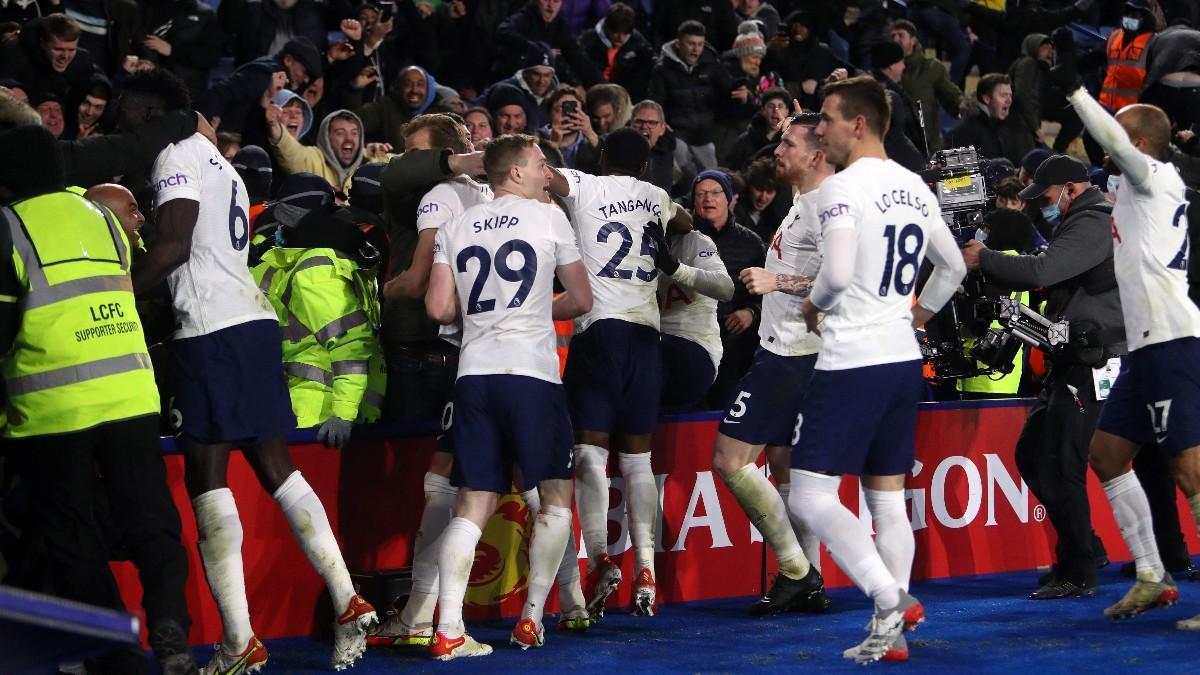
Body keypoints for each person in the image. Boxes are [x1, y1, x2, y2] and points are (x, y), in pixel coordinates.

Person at [121, 69, 378, 672]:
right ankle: (345, 596)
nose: (125, 123)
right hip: (251, 324)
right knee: (274, 466)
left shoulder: (175, 156)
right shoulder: (216, 160)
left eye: (132, 112)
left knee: (207, 475)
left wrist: (117, 297)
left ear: (157, 109)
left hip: (211, 330)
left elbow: (175, 244)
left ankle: (239, 642)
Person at [0, 123, 198, 675]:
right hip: (130, 395)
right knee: (150, 516)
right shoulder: (104, 218)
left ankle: (118, 650)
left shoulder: (7, 227)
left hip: (50, 407)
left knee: (69, 535)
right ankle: (170, 625)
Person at [791, 76, 965, 663]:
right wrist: (915, 315)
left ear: (857, 124)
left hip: (852, 361)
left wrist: (813, 304)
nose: (821, 131)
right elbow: (953, 270)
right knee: (887, 499)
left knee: (809, 496)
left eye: (829, 122)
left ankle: (890, 599)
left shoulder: (843, 189)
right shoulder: (915, 185)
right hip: (899, 359)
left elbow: (836, 276)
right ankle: (890, 636)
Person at [425, 133, 594, 658]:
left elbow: (437, 309)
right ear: (516, 172)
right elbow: (582, 299)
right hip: (532, 375)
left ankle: (448, 628)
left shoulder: (454, 226)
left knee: (472, 503)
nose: (549, 172)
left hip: (474, 376)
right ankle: (531, 618)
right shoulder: (549, 219)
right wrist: (532, 309)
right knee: (555, 501)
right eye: (541, 164)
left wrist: (485, 312)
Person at [1052, 53, 1200, 629]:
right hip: (1145, 347)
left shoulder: (1154, 176)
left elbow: (1113, 135)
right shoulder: (1137, 189)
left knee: (1189, 471)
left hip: (1170, 339)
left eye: (1119, 138)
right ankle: (1150, 575)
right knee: (1108, 454)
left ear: (1136, 142)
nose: (1105, 149)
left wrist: (1076, 95)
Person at [546, 127, 693, 617]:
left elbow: (547, 176)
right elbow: (686, 220)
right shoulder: (656, 196)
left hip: (600, 335)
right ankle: (646, 569)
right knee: (638, 459)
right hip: (645, 338)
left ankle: (600, 558)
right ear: (646, 167)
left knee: (589, 450)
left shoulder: (585, 184)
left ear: (602, 156)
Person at [961, 154, 1123, 598]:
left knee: (1063, 463)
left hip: (1092, 360)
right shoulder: (1079, 220)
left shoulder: (1093, 220)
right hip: (1070, 357)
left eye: (1047, 198)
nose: (1042, 207)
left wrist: (985, 258)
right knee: (1034, 454)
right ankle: (1084, 548)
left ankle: (1081, 569)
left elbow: (1043, 271)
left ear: (1071, 189)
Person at [714, 115, 833, 618]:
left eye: (788, 143)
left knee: (729, 459)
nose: (777, 150)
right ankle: (808, 583)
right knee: (786, 471)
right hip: (786, 349)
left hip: (792, 355)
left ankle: (796, 570)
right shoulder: (803, 200)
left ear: (816, 155)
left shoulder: (827, 205)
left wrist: (776, 283)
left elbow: (841, 282)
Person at [251, 207, 387, 440]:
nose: (281, 233)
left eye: (288, 228)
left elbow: (350, 343)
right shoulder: (349, 268)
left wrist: (343, 414)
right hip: (351, 413)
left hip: (318, 415)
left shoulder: (316, 270)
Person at [691, 169, 767, 411]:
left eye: (715, 193)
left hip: (733, 349)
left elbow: (769, 293)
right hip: (688, 344)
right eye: (701, 194)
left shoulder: (751, 243)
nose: (708, 199)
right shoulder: (678, 239)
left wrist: (752, 312)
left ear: (730, 198)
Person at [657, 224, 735, 414]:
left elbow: (726, 288)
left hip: (694, 346)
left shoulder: (693, 241)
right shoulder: (627, 246)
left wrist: (675, 268)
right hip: (654, 343)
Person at [649, 20, 733, 177]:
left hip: (704, 137)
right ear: (678, 43)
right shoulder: (662, 69)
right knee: (686, 176)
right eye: (691, 44)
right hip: (677, 135)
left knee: (712, 178)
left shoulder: (712, 65)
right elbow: (656, 102)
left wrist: (744, 94)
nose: (696, 49)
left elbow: (730, 91)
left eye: (700, 44)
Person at [890, 19, 962, 152]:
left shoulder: (932, 68)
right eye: (892, 36)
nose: (895, 39)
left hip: (928, 147)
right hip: (895, 148)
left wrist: (964, 107)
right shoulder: (884, 70)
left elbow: (951, 96)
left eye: (900, 35)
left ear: (913, 40)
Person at [578, 2, 656, 101]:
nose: (620, 38)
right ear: (608, 27)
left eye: (625, 33)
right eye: (616, 32)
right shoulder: (587, 41)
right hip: (592, 93)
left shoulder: (636, 41)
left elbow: (653, 60)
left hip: (623, 96)